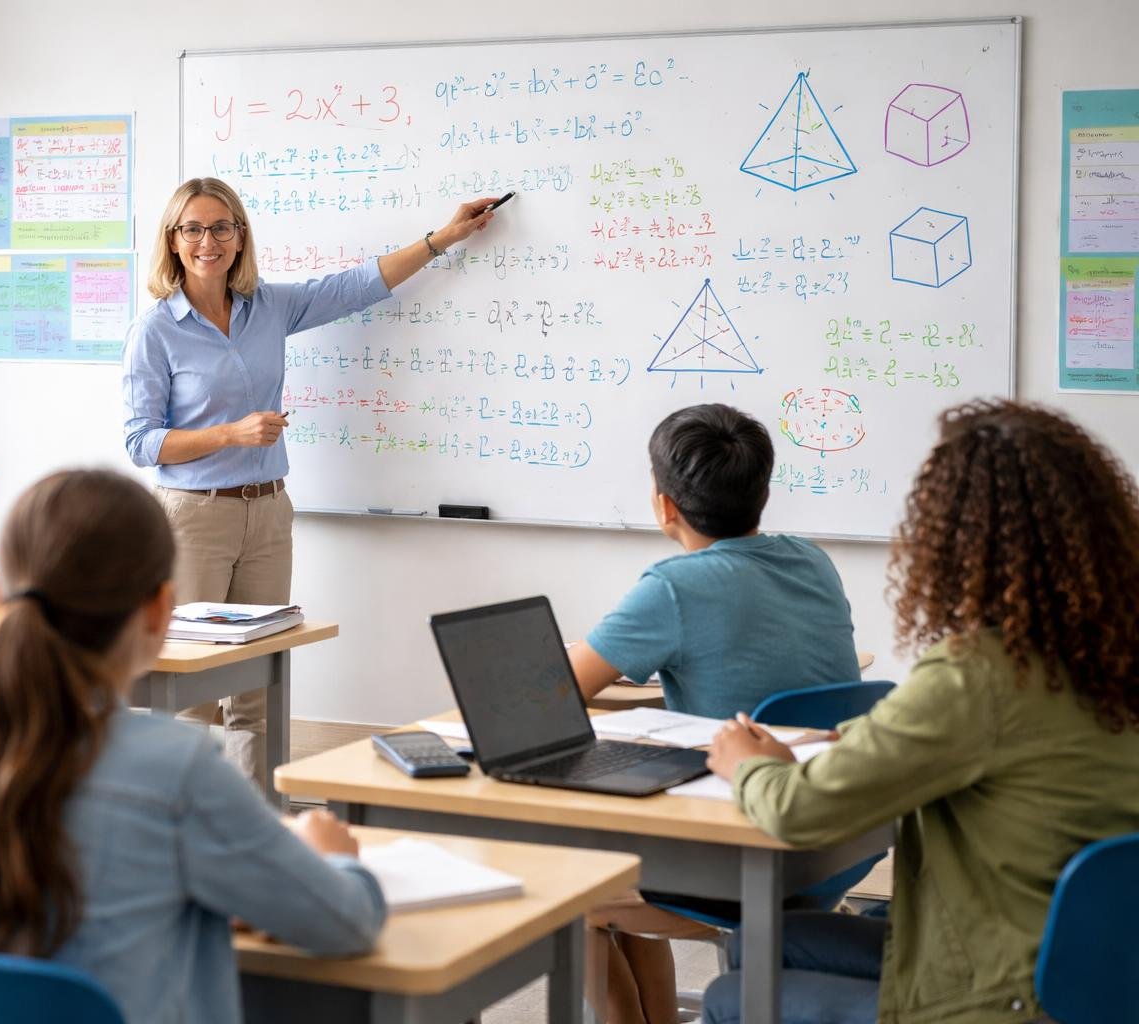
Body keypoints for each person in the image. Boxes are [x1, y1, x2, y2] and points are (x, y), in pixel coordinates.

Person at [0, 469, 385, 1024]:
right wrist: (339, 860)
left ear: (0, 594)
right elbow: (345, 924)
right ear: (160, 608)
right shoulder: (175, 766)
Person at [703, 400, 1139, 1024]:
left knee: (729, 997)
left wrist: (746, 763)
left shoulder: (981, 675)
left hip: (1003, 992)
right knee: (760, 941)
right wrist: (861, 738)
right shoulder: (1107, 650)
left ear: (958, 540)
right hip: (1096, 970)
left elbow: (797, 812)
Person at [123, 176, 500, 788]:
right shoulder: (156, 330)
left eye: (221, 227)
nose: (207, 240)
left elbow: (355, 287)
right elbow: (140, 443)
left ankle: (260, 835)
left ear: (240, 237)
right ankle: (184, 836)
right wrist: (230, 434)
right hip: (193, 518)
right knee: (190, 689)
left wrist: (445, 237)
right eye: (192, 228)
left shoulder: (267, 307)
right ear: (173, 240)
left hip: (269, 514)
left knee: (258, 685)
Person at [565, 403, 860, 1024]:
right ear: (763, 492)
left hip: (745, 857)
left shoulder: (674, 587)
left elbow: (561, 686)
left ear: (664, 504)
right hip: (836, 844)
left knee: (570, 892)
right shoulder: (811, 560)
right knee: (625, 855)